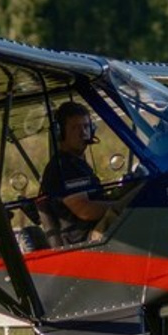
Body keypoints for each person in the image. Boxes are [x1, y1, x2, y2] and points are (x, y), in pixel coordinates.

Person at [39, 101, 118, 245]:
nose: (83, 133)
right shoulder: (63, 167)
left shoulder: (76, 163)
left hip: (96, 232)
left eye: (86, 126)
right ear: (61, 133)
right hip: (87, 239)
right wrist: (120, 206)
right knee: (140, 205)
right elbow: (85, 210)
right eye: (75, 128)